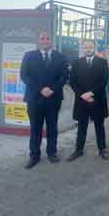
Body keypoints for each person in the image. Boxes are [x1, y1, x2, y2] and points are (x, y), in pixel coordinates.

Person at [20, 31, 68, 169]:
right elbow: (24, 75)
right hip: (35, 98)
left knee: (53, 128)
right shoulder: (29, 56)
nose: (45, 40)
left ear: (51, 40)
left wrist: (52, 89)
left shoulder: (60, 56)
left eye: (48, 38)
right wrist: (41, 89)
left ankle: (52, 153)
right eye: (43, 38)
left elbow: (64, 76)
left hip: (54, 99)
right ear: (38, 40)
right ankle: (34, 156)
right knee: (35, 129)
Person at [66, 40, 109, 161]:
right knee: (81, 126)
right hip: (82, 100)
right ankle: (78, 150)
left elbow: (104, 80)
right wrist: (83, 95)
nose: (88, 49)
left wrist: (91, 93)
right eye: (86, 47)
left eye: (90, 47)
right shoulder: (76, 63)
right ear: (82, 49)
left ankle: (102, 149)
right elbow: (72, 81)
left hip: (97, 99)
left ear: (94, 48)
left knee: (99, 126)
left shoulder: (102, 62)